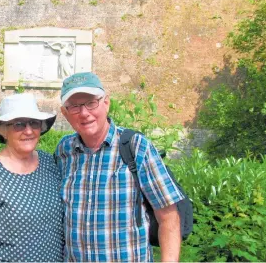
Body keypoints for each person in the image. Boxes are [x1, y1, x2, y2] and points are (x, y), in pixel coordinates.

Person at [55, 72, 184, 262]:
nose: (84, 113)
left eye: (91, 103)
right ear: (65, 113)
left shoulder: (136, 147)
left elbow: (168, 217)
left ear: (106, 103)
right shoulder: (64, 151)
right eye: (74, 106)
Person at [0, 93, 64, 262]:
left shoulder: (48, 162)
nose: (29, 131)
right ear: (3, 130)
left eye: (34, 123)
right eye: (19, 124)